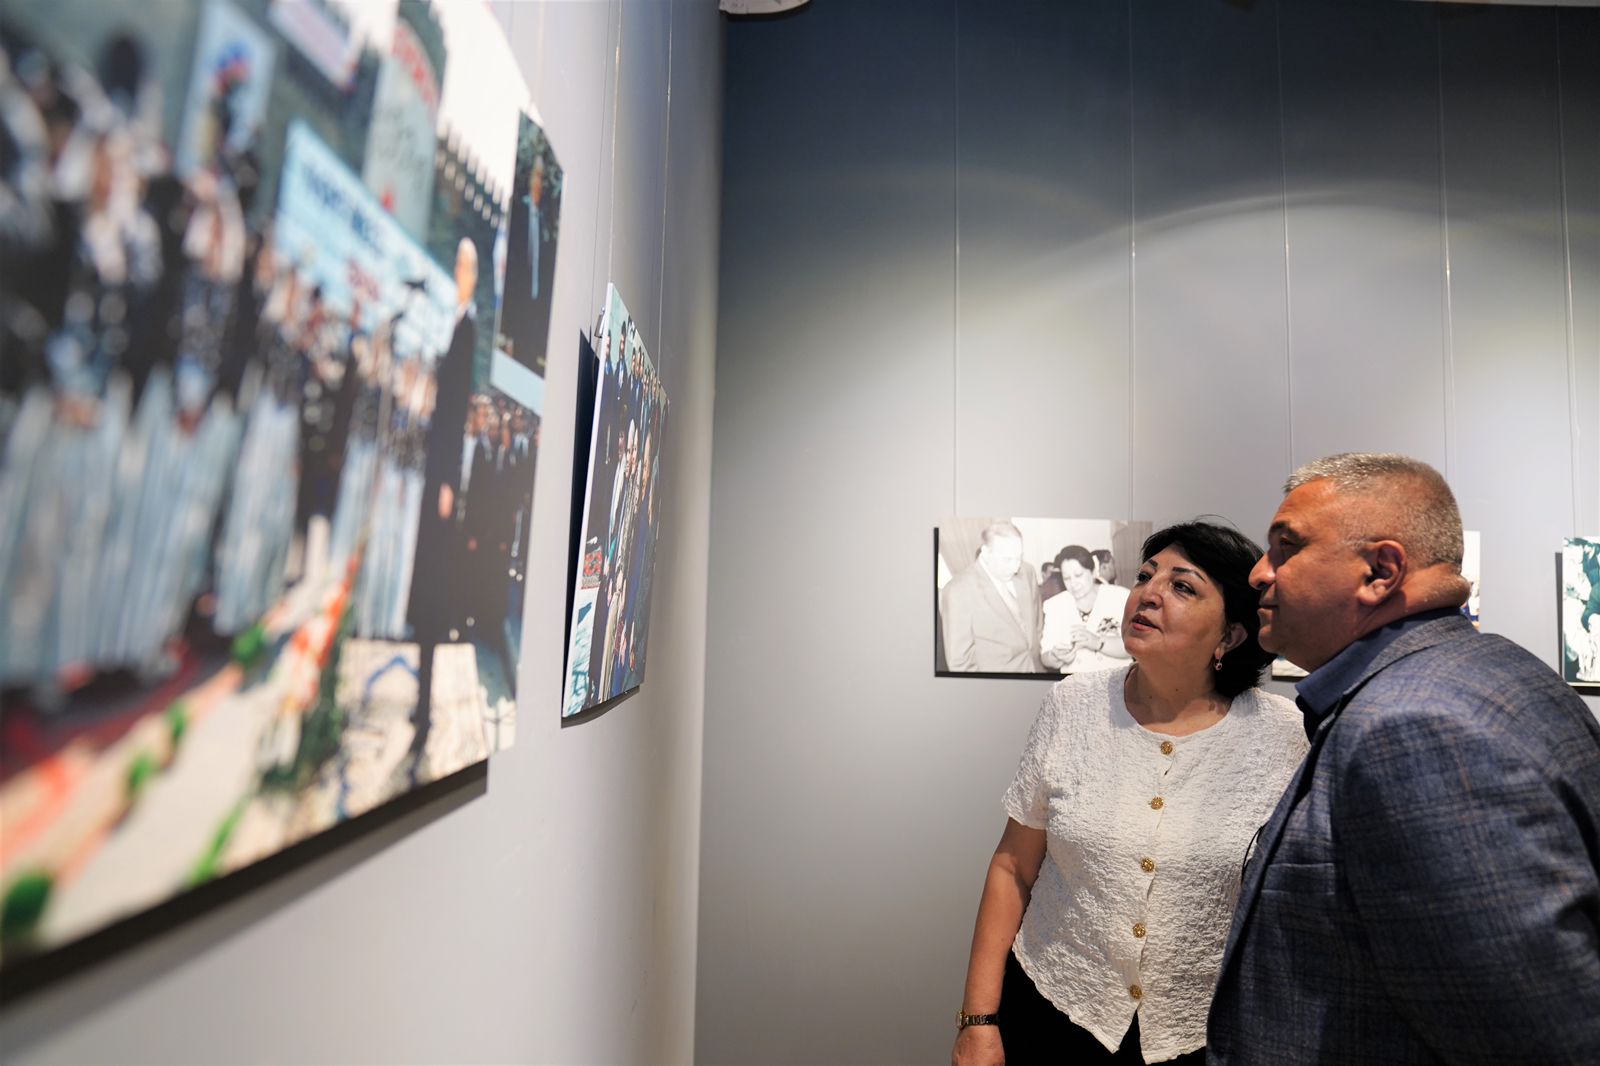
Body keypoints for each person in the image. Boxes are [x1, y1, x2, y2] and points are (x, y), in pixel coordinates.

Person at [1207, 453, 1600, 1064]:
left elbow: (1536, 1039)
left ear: (1380, 572)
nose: (1260, 573)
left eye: (1288, 547)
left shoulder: (1416, 727)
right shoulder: (1483, 671)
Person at [954, 522, 1307, 1066]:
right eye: (1145, 576)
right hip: (1054, 1010)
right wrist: (978, 1022)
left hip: (1203, 1032)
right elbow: (1013, 868)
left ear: (1231, 636)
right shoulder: (1072, 704)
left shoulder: (1283, 734)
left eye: (1182, 586)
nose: (1149, 593)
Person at [405, 237, 477, 759]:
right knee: (421, 584)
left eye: (465, 265)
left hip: (442, 479)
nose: (458, 271)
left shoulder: (468, 330)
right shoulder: (451, 325)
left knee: (432, 587)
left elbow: (458, 408)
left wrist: (450, 479)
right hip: (431, 472)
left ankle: (425, 705)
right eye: (457, 263)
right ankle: (420, 696)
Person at [941, 522, 1044, 673]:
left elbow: (1037, 624)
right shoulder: (958, 590)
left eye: (1019, 558)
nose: (1015, 567)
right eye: (1007, 560)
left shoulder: (1027, 572)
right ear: (986, 552)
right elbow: (960, 663)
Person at [1041, 545, 1130, 673]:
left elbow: (1134, 645)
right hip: (1075, 681)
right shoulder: (1055, 605)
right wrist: (1055, 656)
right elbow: (1045, 656)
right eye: (1067, 578)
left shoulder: (1120, 597)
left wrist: (1097, 642)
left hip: (1115, 679)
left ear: (1093, 572)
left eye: (1078, 575)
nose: (1073, 583)